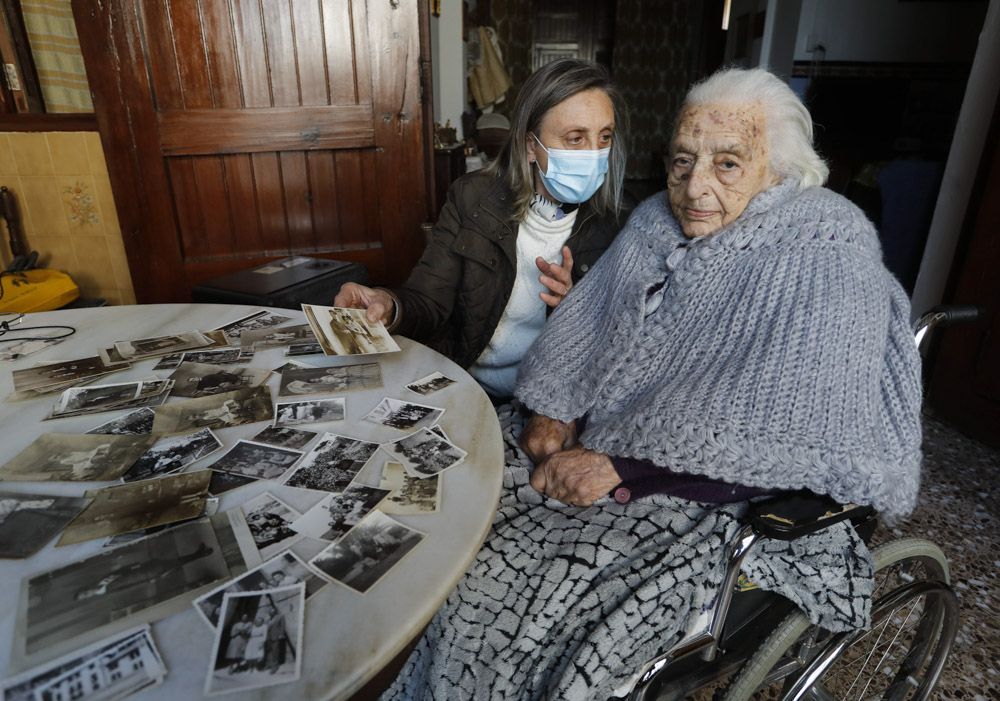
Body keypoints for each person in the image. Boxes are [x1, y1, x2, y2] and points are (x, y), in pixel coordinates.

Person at [383, 68, 922, 700]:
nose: (694, 188)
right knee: (439, 504)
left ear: (776, 169)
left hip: (702, 489)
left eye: (727, 164)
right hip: (601, 436)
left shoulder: (825, 244)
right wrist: (552, 409)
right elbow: (586, 328)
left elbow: (804, 431)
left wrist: (628, 472)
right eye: (683, 161)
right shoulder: (651, 221)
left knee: (506, 589)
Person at [335, 58, 632, 398]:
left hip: (546, 398)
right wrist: (387, 304)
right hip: (467, 385)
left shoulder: (620, 225)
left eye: (604, 137)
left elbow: (623, 349)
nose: (593, 154)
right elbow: (428, 300)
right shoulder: (473, 198)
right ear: (530, 145)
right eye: (575, 138)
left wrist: (575, 310)